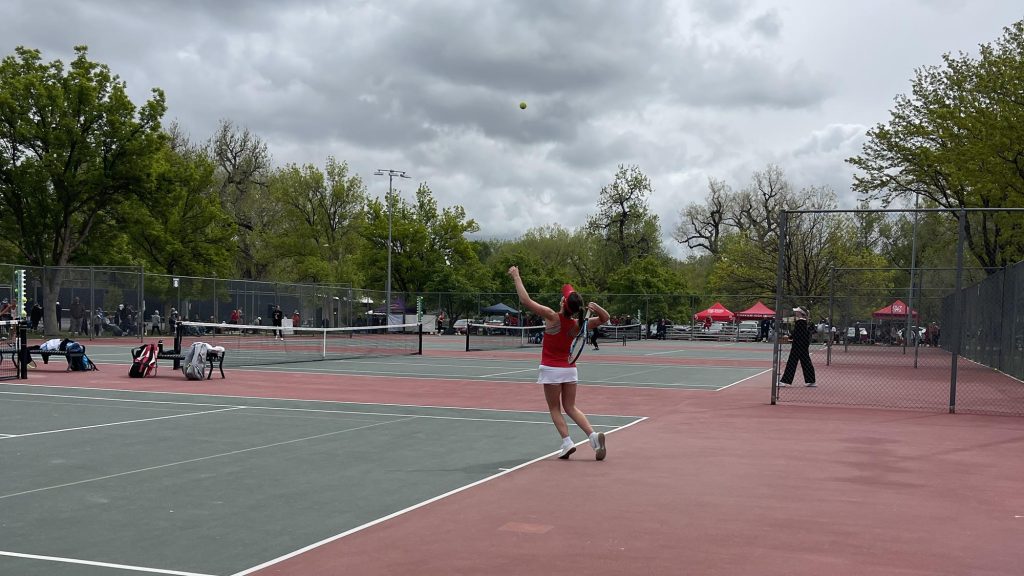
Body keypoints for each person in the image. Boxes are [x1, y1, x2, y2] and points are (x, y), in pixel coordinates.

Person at [508, 266, 611, 461]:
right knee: (570, 407)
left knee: (555, 409)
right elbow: (605, 318)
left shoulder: (552, 317)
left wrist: (516, 276)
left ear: (563, 302)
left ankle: (567, 443)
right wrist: (596, 307)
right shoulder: (579, 324)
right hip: (570, 370)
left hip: (551, 370)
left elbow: (525, 300)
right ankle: (593, 436)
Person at [780, 306, 816, 387]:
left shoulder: (800, 322)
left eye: (797, 311)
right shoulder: (804, 322)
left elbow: (797, 334)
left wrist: (790, 337)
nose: (795, 312)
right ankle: (811, 380)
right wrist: (790, 337)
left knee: (791, 362)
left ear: (800, 313)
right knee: (806, 362)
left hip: (798, 346)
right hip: (803, 346)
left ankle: (784, 381)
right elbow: (800, 334)